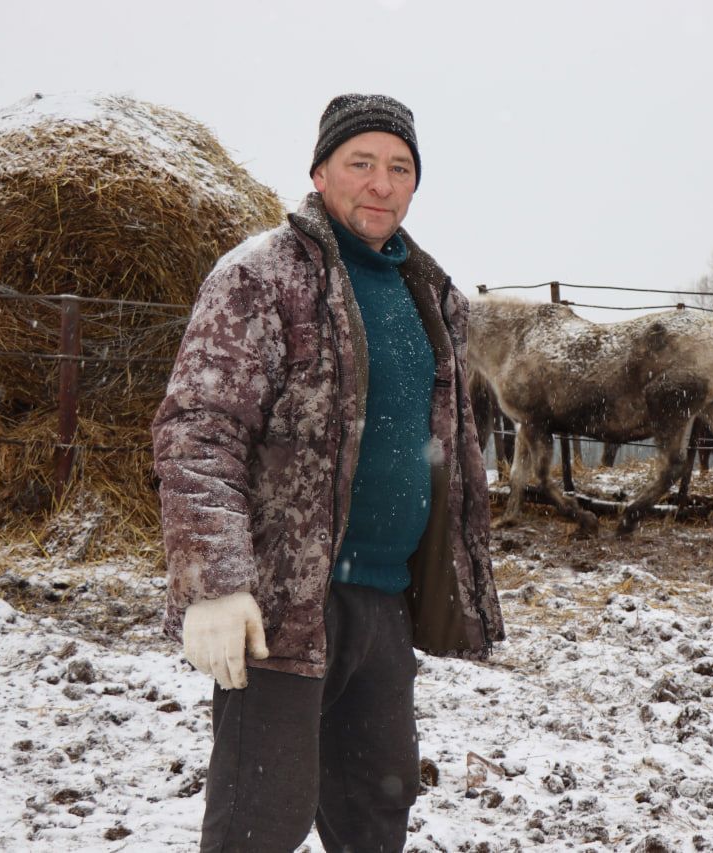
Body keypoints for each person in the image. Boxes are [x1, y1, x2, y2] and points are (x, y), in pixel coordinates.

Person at [152, 93, 504, 852]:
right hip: (281, 609)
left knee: (376, 819)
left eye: (399, 167)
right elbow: (199, 432)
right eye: (361, 163)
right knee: (259, 824)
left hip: (385, 604)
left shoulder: (434, 297)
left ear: (416, 184)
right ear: (319, 173)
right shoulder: (262, 277)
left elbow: (450, 449)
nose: (381, 183)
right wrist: (215, 583)